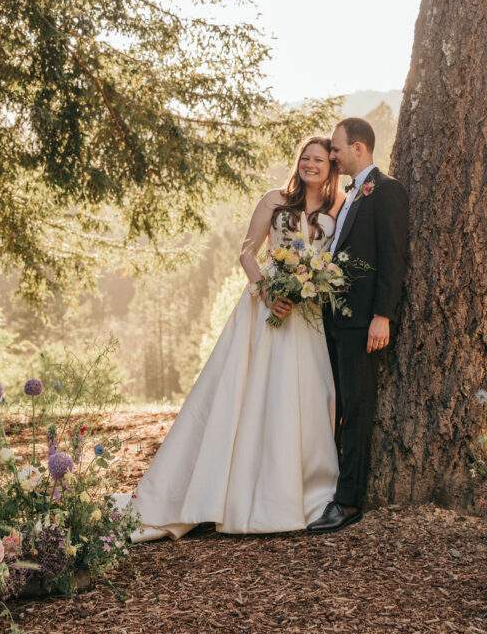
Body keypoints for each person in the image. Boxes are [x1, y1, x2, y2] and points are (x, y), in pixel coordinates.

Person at [113, 135, 345, 541]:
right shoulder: (274, 200)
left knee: (305, 396)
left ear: (331, 168)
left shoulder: (337, 206)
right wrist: (268, 292)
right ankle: (222, 492)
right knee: (248, 392)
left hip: (308, 315)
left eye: (319, 160)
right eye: (305, 158)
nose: (310, 165)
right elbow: (247, 252)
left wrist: (313, 285)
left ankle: (297, 491)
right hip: (267, 307)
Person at [306, 117, 409, 534]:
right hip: (335, 320)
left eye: (335, 148)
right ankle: (329, 488)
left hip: (363, 322)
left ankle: (349, 502)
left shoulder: (387, 191)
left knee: (357, 408)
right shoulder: (350, 194)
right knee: (339, 407)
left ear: (358, 148)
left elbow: (393, 257)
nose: (332, 155)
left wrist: (382, 316)